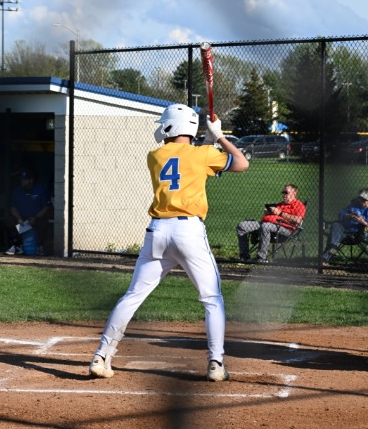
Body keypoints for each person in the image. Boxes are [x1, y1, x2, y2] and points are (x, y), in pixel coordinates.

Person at [89, 104, 248, 382]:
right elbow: (241, 163)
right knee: (212, 299)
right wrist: (219, 136)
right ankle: (215, 363)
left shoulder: (155, 156)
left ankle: (102, 356)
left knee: (133, 296)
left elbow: (186, 159)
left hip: (158, 232)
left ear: (172, 126)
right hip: (189, 232)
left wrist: (208, 140)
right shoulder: (202, 155)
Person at [236, 184, 306, 263]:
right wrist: (267, 213)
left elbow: (298, 220)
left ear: (294, 193)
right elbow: (265, 218)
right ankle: (244, 257)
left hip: (285, 229)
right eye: (283, 192)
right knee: (242, 226)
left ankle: (261, 258)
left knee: (266, 226)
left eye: (286, 192)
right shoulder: (280, 204)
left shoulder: (299, 205)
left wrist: (280, 213)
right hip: (267, 225)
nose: (284, 195)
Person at [322, 188, 368, 263]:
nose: (362, 201)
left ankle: (325, 258)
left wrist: (363, 222)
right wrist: (349, 216)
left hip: (358, 235)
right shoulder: (353, 205)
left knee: (333, 237)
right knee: (336, 225)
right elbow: (341, 214)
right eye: (361, 199)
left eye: (365, 200)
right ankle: (332, 249)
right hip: (345, 232)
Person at [5, 170, 52, 255]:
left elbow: (46, 207)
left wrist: (36, 217)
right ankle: (16, 246)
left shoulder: (40, 190)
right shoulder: (17, 190)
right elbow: (13, 208)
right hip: (22, 218)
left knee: (44, 222)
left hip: (36, 218)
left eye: (24, 179)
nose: (22, 181)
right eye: (21, 179)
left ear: (31, 180)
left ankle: (40, 247)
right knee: (10, 221)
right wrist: (19, 218)